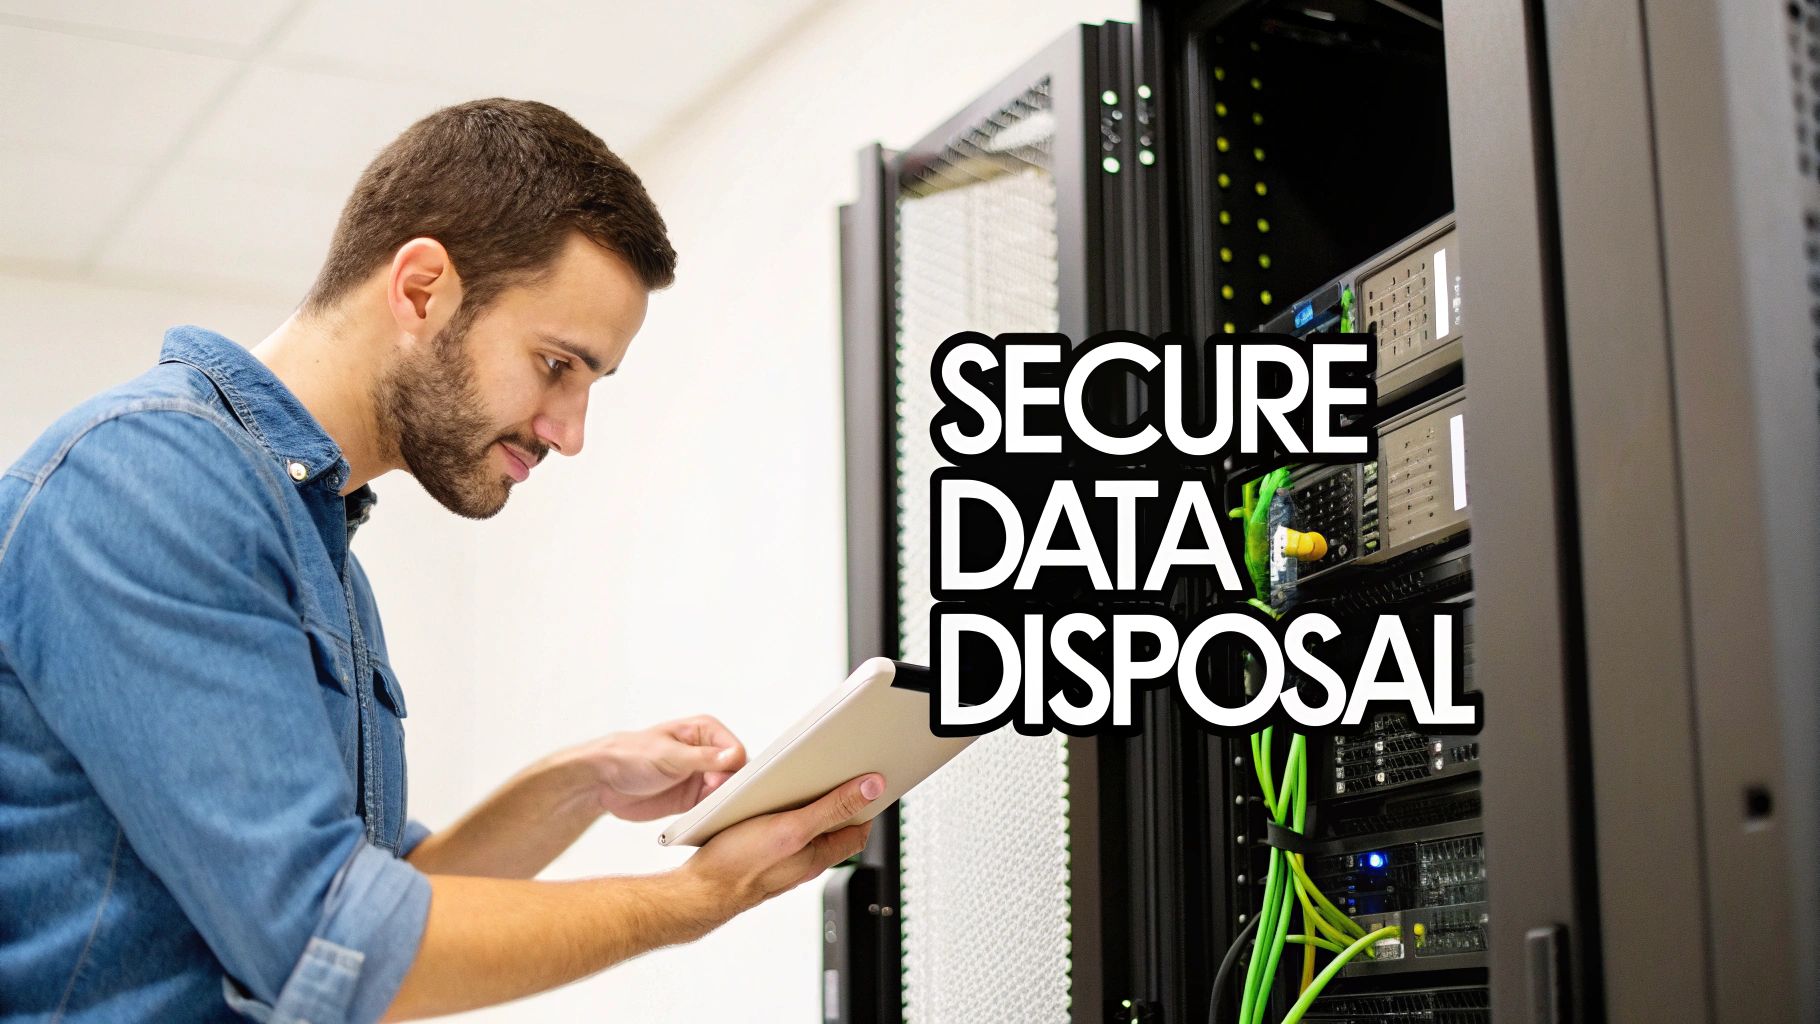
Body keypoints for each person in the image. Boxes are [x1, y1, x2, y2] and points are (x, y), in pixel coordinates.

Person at [0, 98, 882, 1023]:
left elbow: (386, 886)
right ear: (422, 289)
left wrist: (579, 781)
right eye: (556, 366)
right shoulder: (151, 479)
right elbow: (334, 940)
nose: (570, 433)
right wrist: (698, 900)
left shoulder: (314, 539)